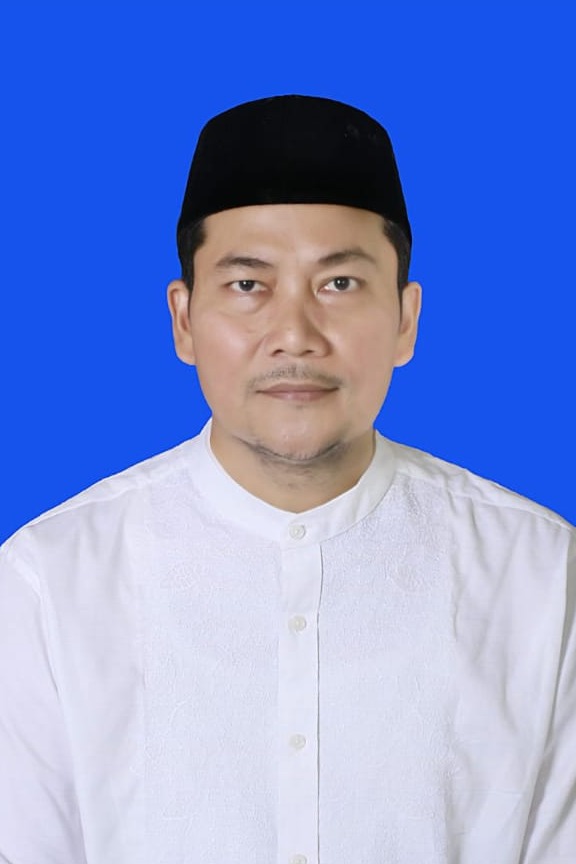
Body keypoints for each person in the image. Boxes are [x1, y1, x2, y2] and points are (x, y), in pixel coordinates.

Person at [0, 95, 574, 864]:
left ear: (406, 319)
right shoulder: (49, 582)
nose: (295, 335)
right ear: (183, 319)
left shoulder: (539, 575)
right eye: (248, 285)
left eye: (340, 284)